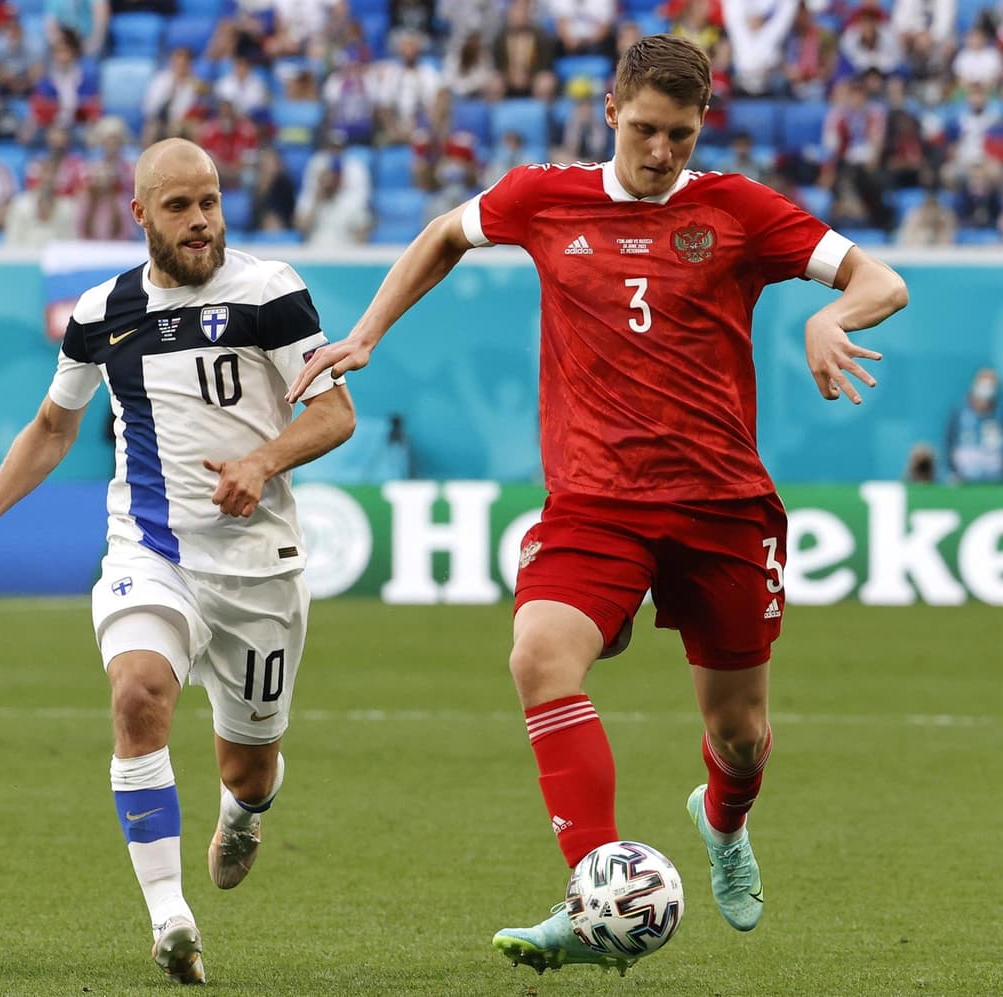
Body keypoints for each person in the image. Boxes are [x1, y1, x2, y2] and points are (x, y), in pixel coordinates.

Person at [288, 34, 908, 975]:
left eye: (683, 136)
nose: (664, 153)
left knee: (737, 737)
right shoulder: (543, 196)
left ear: (703, 128)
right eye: (649, 130)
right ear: (611, 110)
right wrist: (367, 332)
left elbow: (882, 280)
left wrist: (830, 315)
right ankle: (596, 893)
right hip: (596, 503)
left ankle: (724, 825)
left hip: (721, 505)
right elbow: (445, 234)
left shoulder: (737, 210)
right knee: (539, 655)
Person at [0, 139, 355, 985]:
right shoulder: (100, 312)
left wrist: (261, 462)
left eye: (209, 201)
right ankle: (171, 918)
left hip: (259, 565)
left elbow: (336, 413)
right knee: (137, 692)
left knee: (249, 764)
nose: (201, 220)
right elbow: (54, 426)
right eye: (179, 206)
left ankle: (244, 812)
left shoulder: (271, 292)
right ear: (140, 214)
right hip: (150, 547)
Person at [945, 367, 1002, 483]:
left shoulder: (999, 415)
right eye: (983, 384)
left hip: (995, 480)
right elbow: (949, 442)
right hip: (963, 479)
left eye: (990, 385)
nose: (985, 389)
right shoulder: (959, 412)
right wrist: (951, 472)